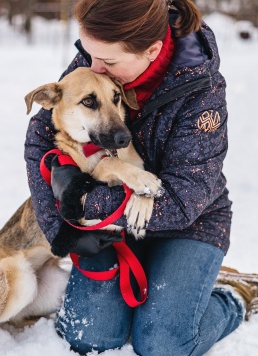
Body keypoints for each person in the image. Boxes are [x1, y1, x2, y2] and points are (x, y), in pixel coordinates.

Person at [24, 0, 258, 355]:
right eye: (88, 55)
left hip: (188, 223)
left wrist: (83, 202)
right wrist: (61, 230)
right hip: (113, 225)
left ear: (151, 50)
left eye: (108, 63)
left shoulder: (202, 91)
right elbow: (39, 140)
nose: (94, 68)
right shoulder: (100, 56)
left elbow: (184, 199)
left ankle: (232, 295)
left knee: (164, 343)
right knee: (90, 338)